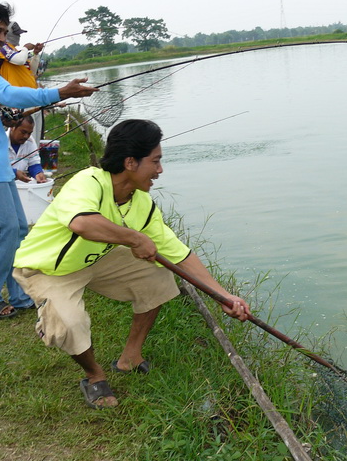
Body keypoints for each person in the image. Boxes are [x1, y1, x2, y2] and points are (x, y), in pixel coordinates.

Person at [13, 119, 250, 409]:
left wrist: (222, 295)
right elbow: (82, 223)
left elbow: (179, 254)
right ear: (130, 162)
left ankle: (130, 358)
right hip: (47, 268)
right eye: (156, 162)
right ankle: (94, 376)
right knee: (70, 323)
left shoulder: (141, 203)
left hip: (94, 259)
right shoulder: (89, 182)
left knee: (158, 276)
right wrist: (134, 238)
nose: (160, 171)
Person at [0, 0, 97, 320]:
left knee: (17, 228)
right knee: (5, 227)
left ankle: (18, 292)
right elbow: (10, 93)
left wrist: (1, 117)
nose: (3, 38)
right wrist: (60, 93)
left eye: (5, 31)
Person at [8, 115, 46, 183]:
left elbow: (34, 163)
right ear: (12, 127)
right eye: (23, 132)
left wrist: (38, 173)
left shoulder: (30, 141)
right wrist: (14, 173)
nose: (26, 136)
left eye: (29, 133)